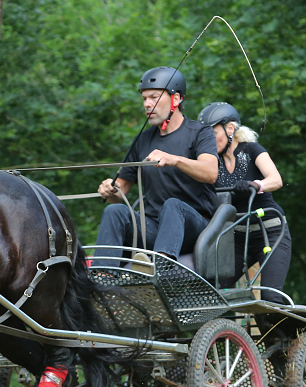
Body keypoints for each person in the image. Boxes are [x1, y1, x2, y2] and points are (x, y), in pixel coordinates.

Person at [92, 66, 218, 268]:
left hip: (194, 229)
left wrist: (174, 159)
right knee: (115, 211)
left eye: (154, 97)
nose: (147, 104)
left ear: (176, 100)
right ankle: (102, 275)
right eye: (144, 99)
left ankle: (159, 270)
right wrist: (110, 189)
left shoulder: (200, 132)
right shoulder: (142, 140)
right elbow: (121, 190)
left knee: (173, 205)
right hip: (153, 229)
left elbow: (211, 173)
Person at [197, 101, 291, 303]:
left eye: (213, 133)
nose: (209, 141)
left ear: (230, 129)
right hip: (237, 238)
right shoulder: (212, 163)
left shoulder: (251, 150)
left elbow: (276, 179)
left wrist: (255, 184)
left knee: (270, 297)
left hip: (270, 232)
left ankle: (292, 334)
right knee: (213, 295)